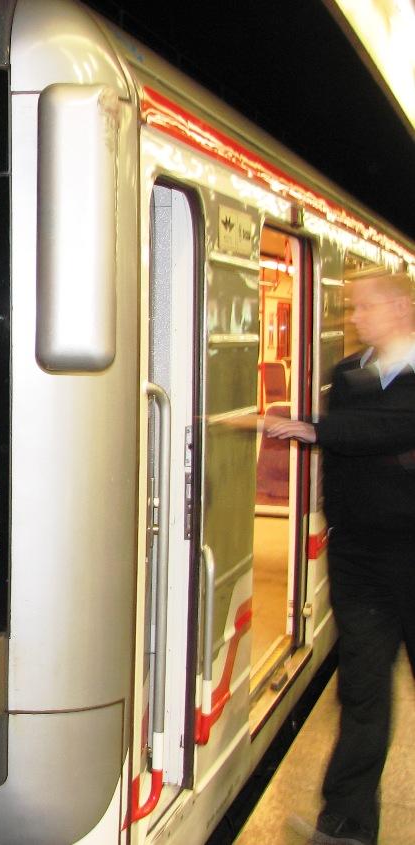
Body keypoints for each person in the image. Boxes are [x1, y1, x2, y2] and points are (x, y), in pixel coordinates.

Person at [265, 271, 415, 845]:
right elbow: (355, 448)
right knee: (362, 689)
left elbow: (386, 429)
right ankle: (348, 825)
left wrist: (315, 428)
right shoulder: (350, 374)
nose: (354, 318)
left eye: (364, 307)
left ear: (400, 307)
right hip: (360, 559)